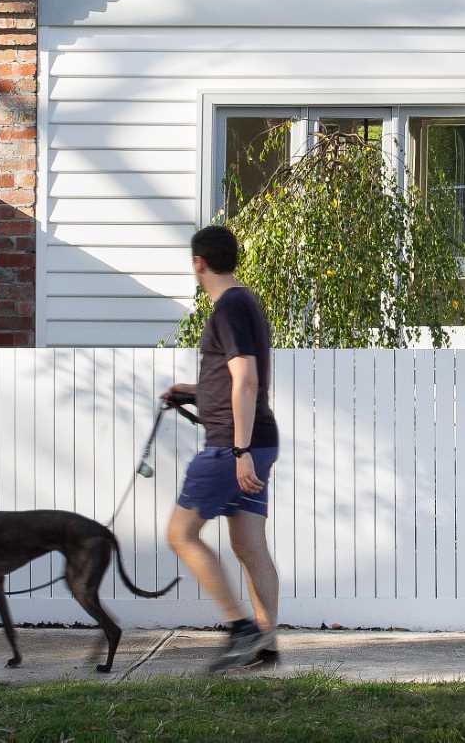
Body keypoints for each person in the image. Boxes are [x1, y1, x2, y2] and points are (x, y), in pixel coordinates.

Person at [165, 223, 280, 671]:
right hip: (257, 440)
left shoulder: (228, 308)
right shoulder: (246, 301)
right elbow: (233, 379)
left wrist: (238, 451)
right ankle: (265, 643)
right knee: (250, 545)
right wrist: (193, 391)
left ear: (199, 262)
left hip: (231, 447)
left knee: (180, 533)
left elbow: (246, 380)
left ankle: (241, 629)